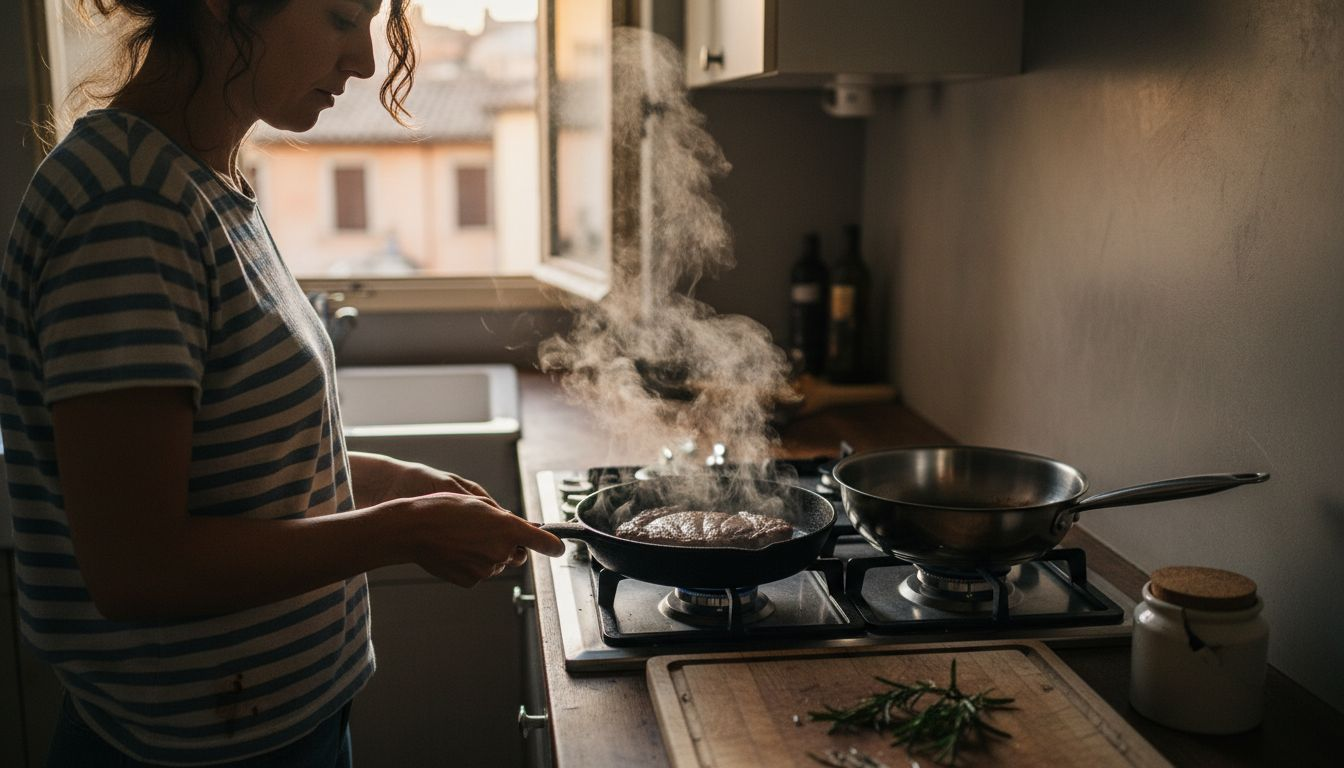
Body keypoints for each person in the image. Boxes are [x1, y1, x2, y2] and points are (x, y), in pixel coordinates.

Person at [0, 1, 566, 765]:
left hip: (267, 726)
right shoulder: (129, 208)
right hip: (194, 749)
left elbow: (228, 469)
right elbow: (140, 569)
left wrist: (388, 482)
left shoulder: (198, 177)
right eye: (339, 17)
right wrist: (403, 530)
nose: (364, 62)